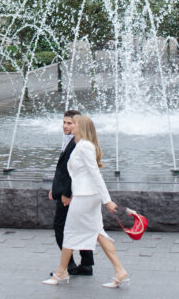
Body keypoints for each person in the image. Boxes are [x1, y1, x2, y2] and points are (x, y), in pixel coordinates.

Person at [43, 114, 130, 289]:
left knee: (69, 232)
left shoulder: (85, 147)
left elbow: (95, 175)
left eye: (73, 123)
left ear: (80, 127)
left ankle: (62, 272)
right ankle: (120, 271)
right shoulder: (81, 145)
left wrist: (108, 201)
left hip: (85, 197)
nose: (69, 126)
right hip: (85, 196)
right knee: (99, 233)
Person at [48, 109, 94, 275]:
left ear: (78, 124)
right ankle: (86, 264)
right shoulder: (72, 140)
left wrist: (66, 193)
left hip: (70, 194)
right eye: (64, 122)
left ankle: (70, 265)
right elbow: (62, 169)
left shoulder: (77, 143)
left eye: (69, 123)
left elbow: (72, 172)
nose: (65, 126)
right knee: (79, 227)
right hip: (68, 191)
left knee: (60, 227)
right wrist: (54, 188)